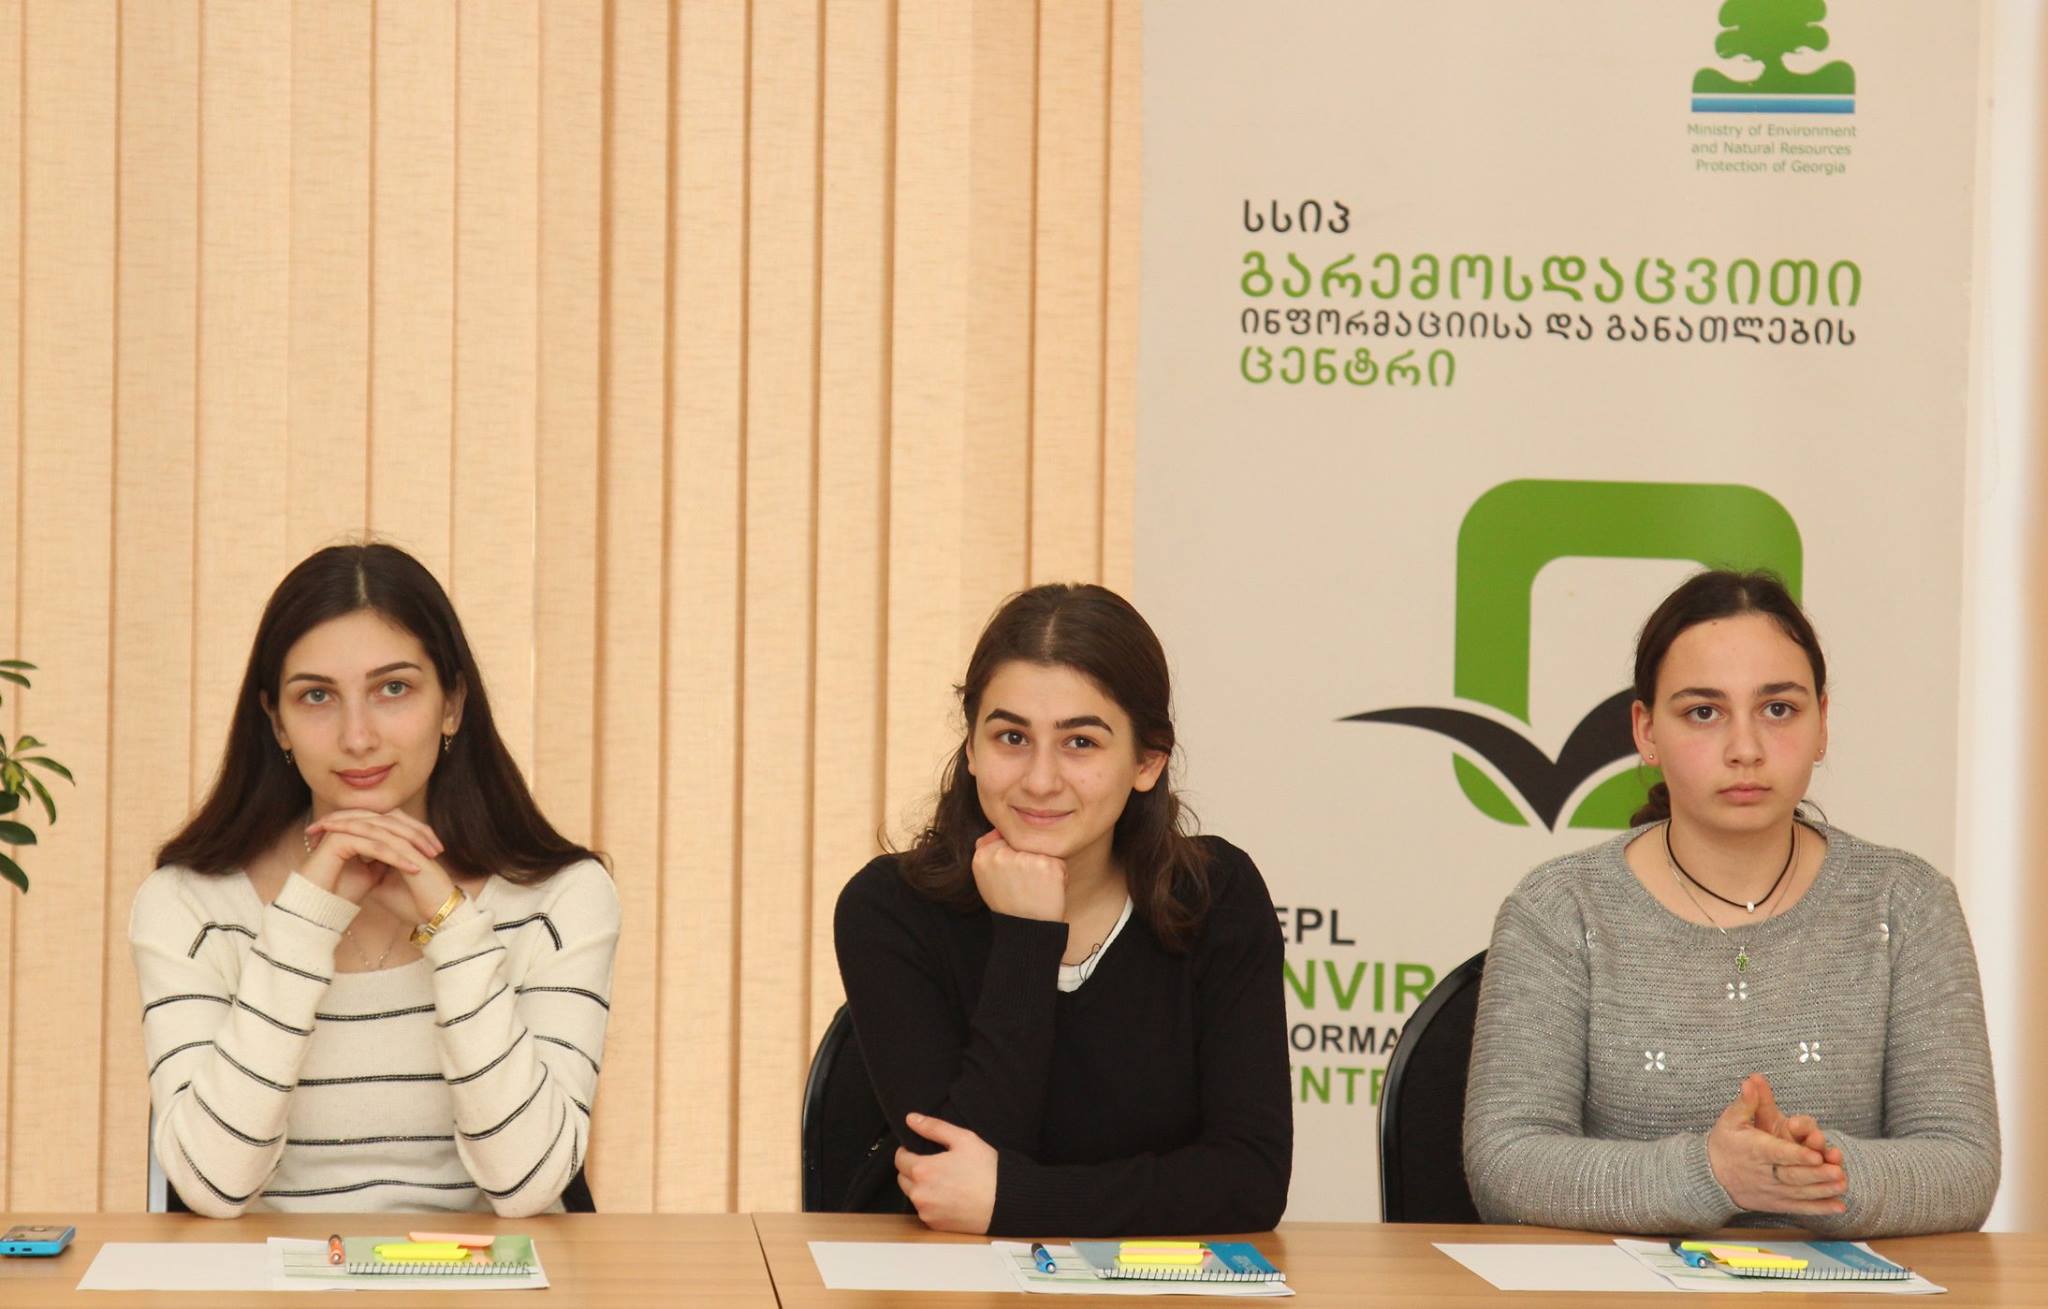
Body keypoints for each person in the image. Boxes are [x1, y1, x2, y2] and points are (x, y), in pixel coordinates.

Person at [1464, 569, 1999, 1237]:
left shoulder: (1908, 903)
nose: (1745, 749)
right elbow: (1506, 1162)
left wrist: (1815, 1171)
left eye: (1778, 710)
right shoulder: (1559, 909)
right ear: (1646, 731)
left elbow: (1963, 1163)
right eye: (1703, 712)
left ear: (1823, 723)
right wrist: (1710, 1173)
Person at [132, 542, 619, 1216]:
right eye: (317, 696)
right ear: (276, 721)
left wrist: (451, 926)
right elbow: (212, 1185)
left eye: (394, 688)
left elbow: (528, 1184)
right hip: (268, 1274)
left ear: (452, 704)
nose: (357, 736)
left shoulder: (559, 898)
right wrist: (305, 919)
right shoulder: (190, 905)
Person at [833, 583, 1291, 1236]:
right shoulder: (890, 909)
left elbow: (1250, 1180)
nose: (1041, 780)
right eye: (1011, 736)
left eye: (1080, 743)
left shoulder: (1216, 895)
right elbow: (949, 1177)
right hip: (942, 1279)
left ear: (1147, 761)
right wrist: (1027, 936)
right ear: (971, 749)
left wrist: (1019, 1198)